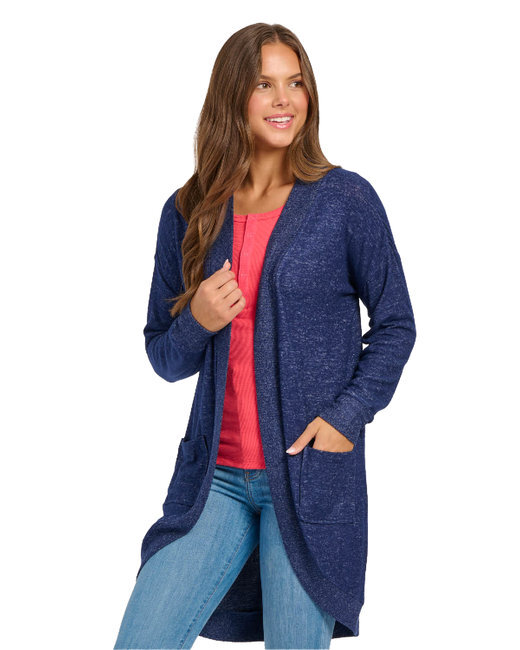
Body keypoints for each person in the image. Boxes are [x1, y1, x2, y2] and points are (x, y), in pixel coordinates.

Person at [114, 23, 416, 650]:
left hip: (308, 479)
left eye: (295, 83)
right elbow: (163, 355)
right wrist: (198, 319)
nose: (284, 100)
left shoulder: (345, 200)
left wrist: (346, 417)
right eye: (264, 85)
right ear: (234, 97)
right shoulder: (190, 210)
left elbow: (396, 324)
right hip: (214, 480)